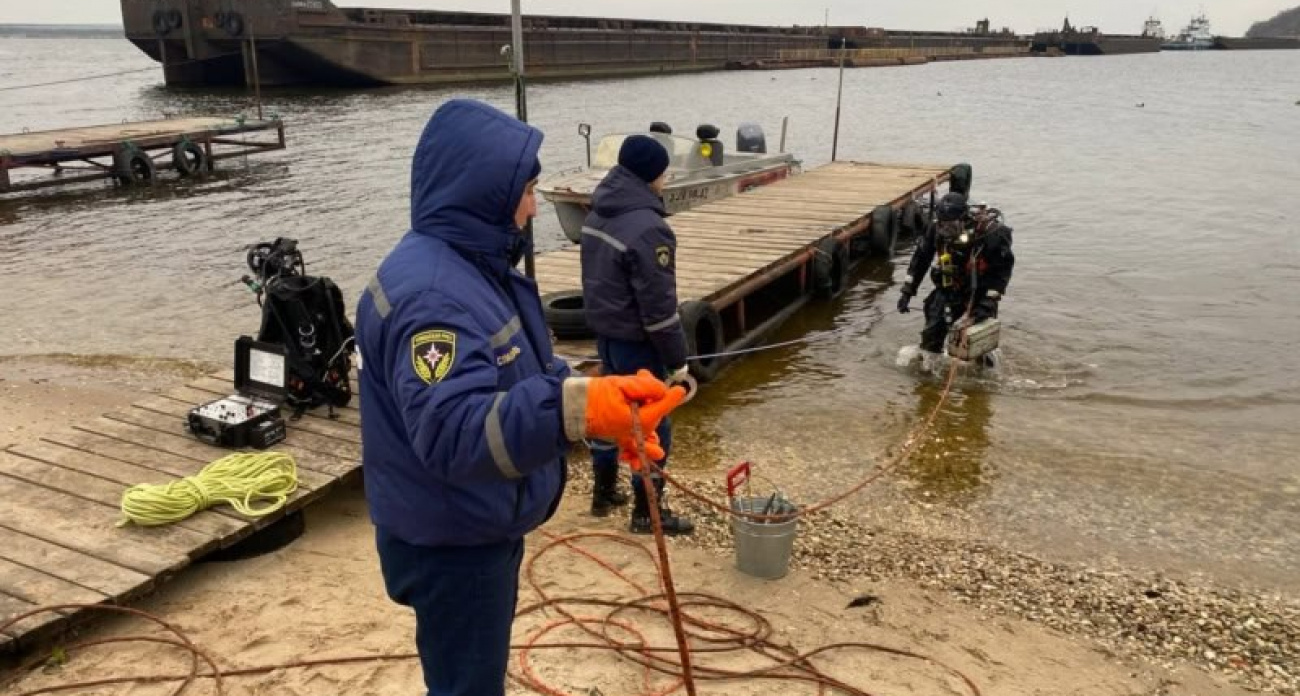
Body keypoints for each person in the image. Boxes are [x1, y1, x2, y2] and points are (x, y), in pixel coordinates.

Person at [353, 99, 686, 696]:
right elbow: (454, 432)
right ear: (484, 191)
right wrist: (579, 410)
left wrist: (598, 398)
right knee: (468, 686)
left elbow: (512, 371)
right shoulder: (434, 298)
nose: (535, 206)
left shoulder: (460, 266)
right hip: (453, 539)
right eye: (528, 191)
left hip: (467, 521)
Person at [580, 134, 695, 536]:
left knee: (607, 414)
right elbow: (659, 309)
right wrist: (679, 361)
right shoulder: (650, 229)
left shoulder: (596, 213)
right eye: (665, 171)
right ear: (652, 176)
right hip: (638, 345)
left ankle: (603, 492)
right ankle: (648, 513)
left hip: (606, 335)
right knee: (651, 425)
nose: (667, 178)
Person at [897, 192, 1015, 363]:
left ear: (963, 218)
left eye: (950, 225)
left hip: (980, 292)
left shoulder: (991, 234)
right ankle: (928, 376)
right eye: (942, 224)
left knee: (978, 344)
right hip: (949, 288)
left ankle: (983, 378)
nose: (945, 230)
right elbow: (920, 260)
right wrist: (908, 291)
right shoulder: (935, 229)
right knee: (931, 336)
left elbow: (1002, 271)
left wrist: (989, 301)